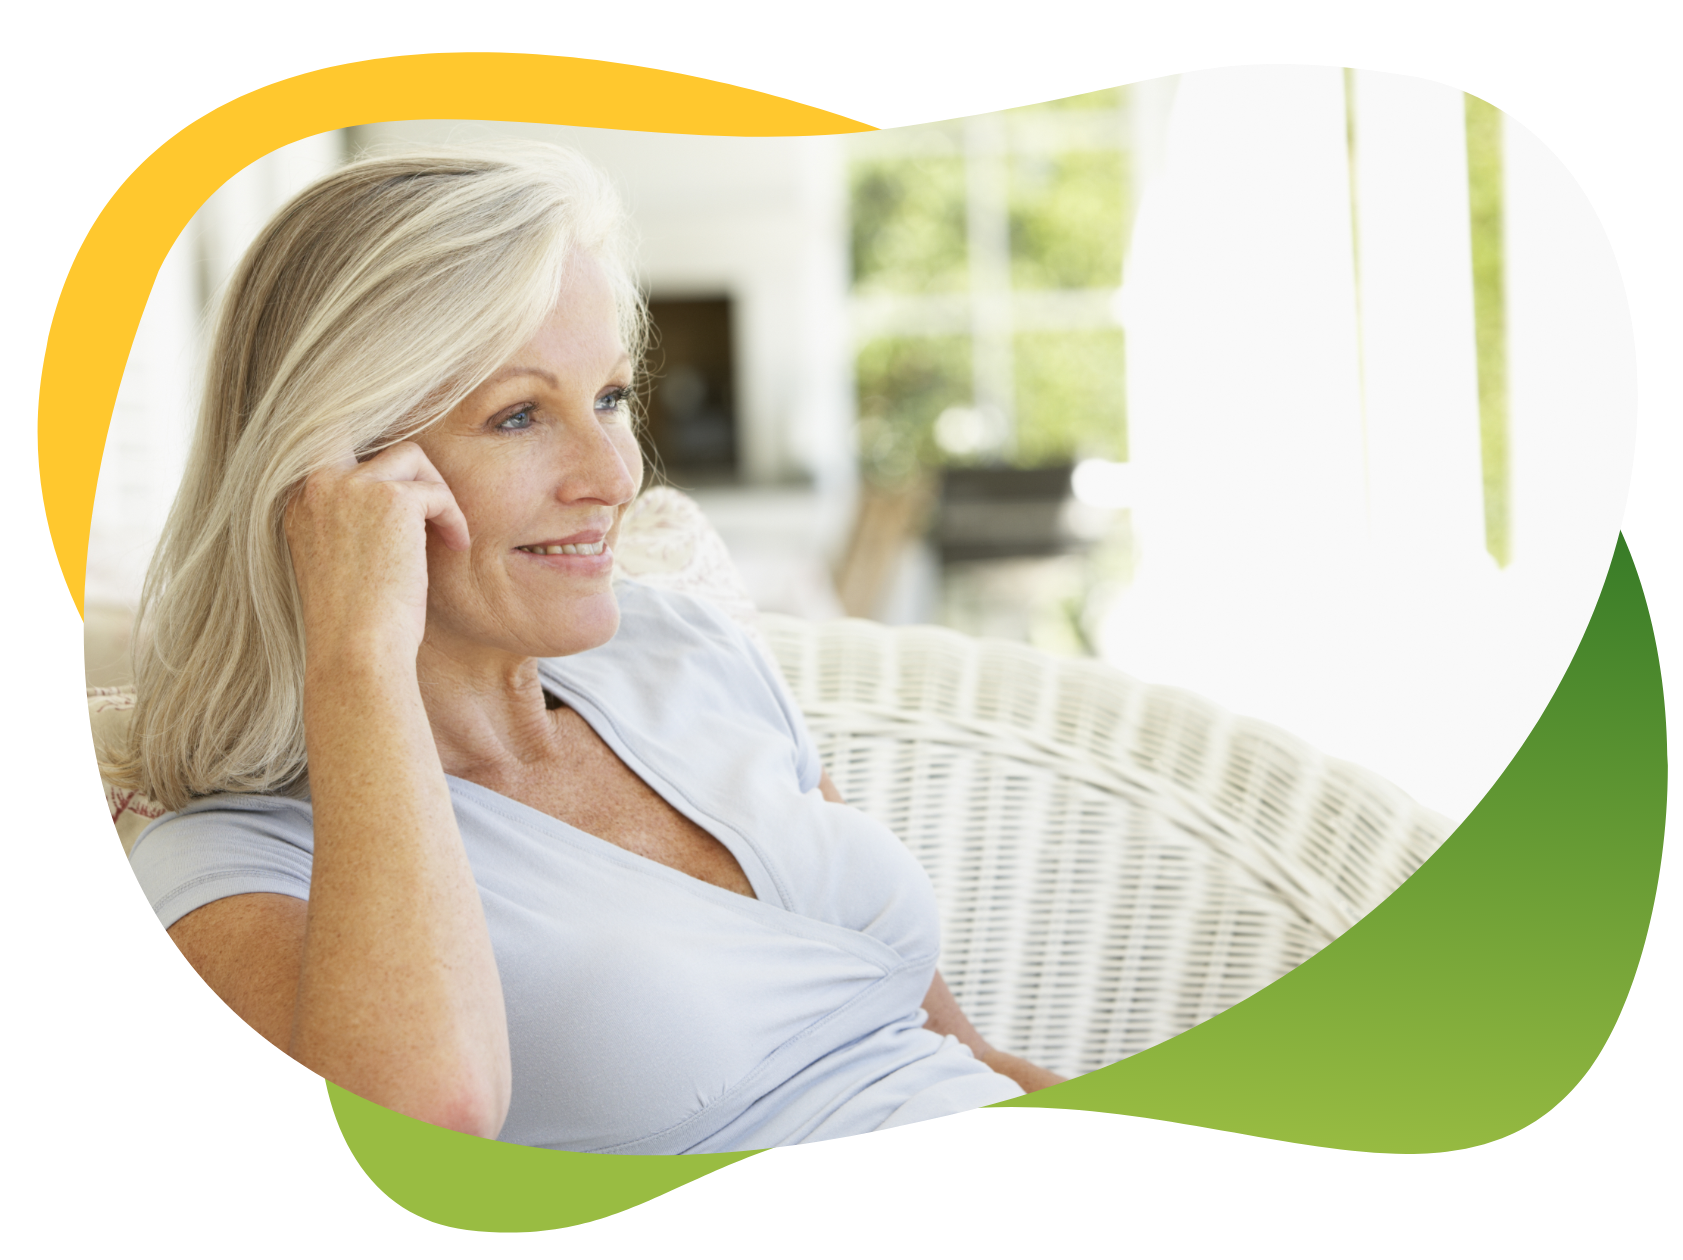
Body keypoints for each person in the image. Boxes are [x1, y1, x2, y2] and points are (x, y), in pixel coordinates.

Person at [114, 143, 1063, 1155]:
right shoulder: (231, 864)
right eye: (519, 416)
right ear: (338, 478)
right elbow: (420, 1128)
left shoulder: (685, 650)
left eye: (610, 397)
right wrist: (358, 656)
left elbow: (952, 1047)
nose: (613, 474)